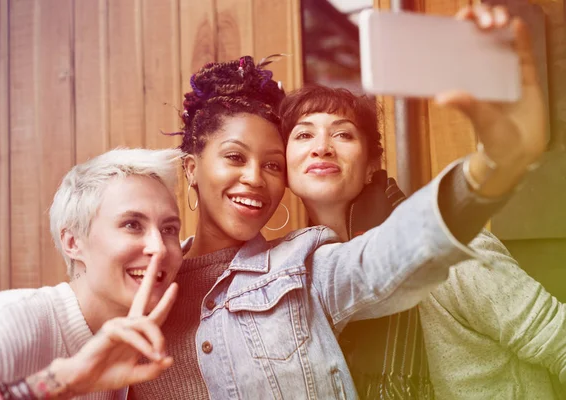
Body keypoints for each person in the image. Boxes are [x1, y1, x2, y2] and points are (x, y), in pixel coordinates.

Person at [127, 6, 547, 399]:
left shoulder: (300, 269)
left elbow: (398, 250)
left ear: (370, 166)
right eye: (304, 135)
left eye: (272, 165)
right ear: (190, 169)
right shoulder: (145, 282)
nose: (255, 177)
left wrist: (497, 163)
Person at [279, 9, 566, 400]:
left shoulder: (453, 249)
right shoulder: (301, 277)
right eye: (303, 134)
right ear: (285, 165)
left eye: (343, 134)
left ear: (371, 168)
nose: (322, 147)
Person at [0, 148, 184, 400]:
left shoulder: (142, 347)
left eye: (169, 229)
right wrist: (62, 381)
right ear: (73, 242)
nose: (158, 248)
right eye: (132, 225)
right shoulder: (7, 323)